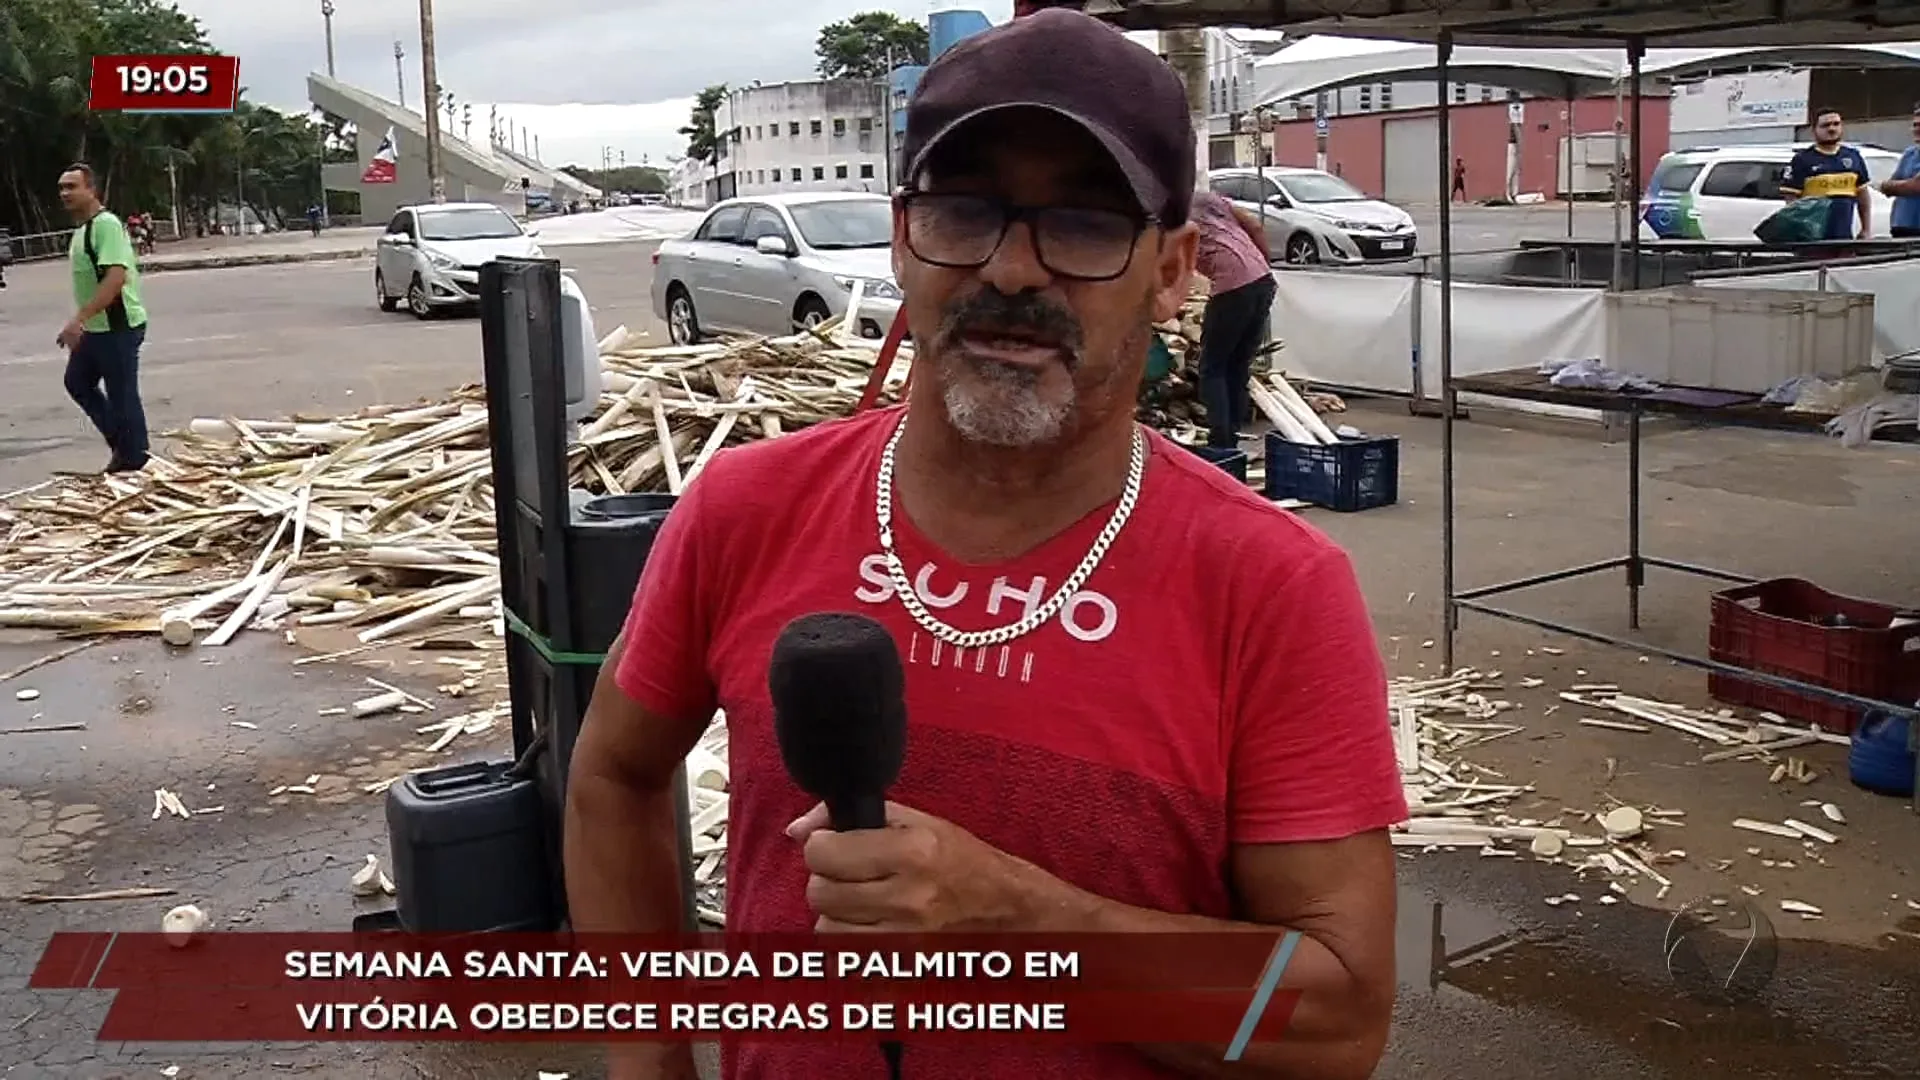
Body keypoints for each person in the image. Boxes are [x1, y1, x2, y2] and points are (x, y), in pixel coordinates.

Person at [565, 10, 1405, 1080]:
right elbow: (613, 781)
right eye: (965, 212)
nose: (1012, 270)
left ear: (1174, 268)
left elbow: (1334, 1031)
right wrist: (651, 1066)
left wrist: (1015, 916)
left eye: (1088, 224)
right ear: (904, 233)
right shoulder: (746, 508)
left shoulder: (1270, 587)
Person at [57, 163, 151, 474]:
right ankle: (125, 446)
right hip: (96, 329)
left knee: (123, 395)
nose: (65, 193)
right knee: (77, 381)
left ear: (92, 190)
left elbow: (115, 278)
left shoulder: (106, 225)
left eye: (72, 186)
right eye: (62, 188)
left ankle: (135, 461)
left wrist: (78, 320)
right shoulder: (82, 231)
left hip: (118, 327)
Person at [1190, 184, 1276, 450]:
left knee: (1212, 366)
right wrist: (1264, 262)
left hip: (1232, 286)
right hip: (1262, 279)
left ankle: (1221, 443)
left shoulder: (1170, 212)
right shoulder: (1209, 199)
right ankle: (1234, 436)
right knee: (1238, 364)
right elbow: (1254, 225)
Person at [1781, 108, 1873, 241]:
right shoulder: (1802, 160)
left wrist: (1866, 229)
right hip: (1812, 241)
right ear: (1814, 130)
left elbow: (1863, 196)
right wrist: (1802, 229)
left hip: (1844, 240)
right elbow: (1791, 202)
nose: (1831, 129)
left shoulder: (1853, 157)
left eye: (1836, 124)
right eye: (1825, 125)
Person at [1878, 103, 1920, 239]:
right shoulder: (1910, 153)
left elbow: (1915, 186)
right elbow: (1889, 187)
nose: (1917, 129)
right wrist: (1890, 186)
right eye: (1915, 125)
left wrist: (1887, 185)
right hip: (1901, 226)